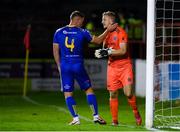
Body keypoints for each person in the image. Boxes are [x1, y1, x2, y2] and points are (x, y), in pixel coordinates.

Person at [53, 10, 117, 125]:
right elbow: (98, 41)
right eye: (81, 21)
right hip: (78, 65)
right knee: (88, 89)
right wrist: (108, 30)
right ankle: (96, 116)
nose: (82, 24)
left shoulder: (58, 32)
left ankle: (75, 119)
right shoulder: (82, 32)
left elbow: (55, 51)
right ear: (76, 19)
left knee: (68, 93)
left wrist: (59, 66)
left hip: (65, 66)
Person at [95, 11, 142, 126]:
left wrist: (109, 51)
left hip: (125, 65)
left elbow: (123, 51)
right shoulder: (106, 34)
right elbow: (104, 49)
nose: (102, 22)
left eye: (104, 19)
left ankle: (136, 112)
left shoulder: (121, 32)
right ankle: (115, 121)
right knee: (113, 94)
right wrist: (102, 53)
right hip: (112, 67)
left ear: (111, 21)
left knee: (128, 93)